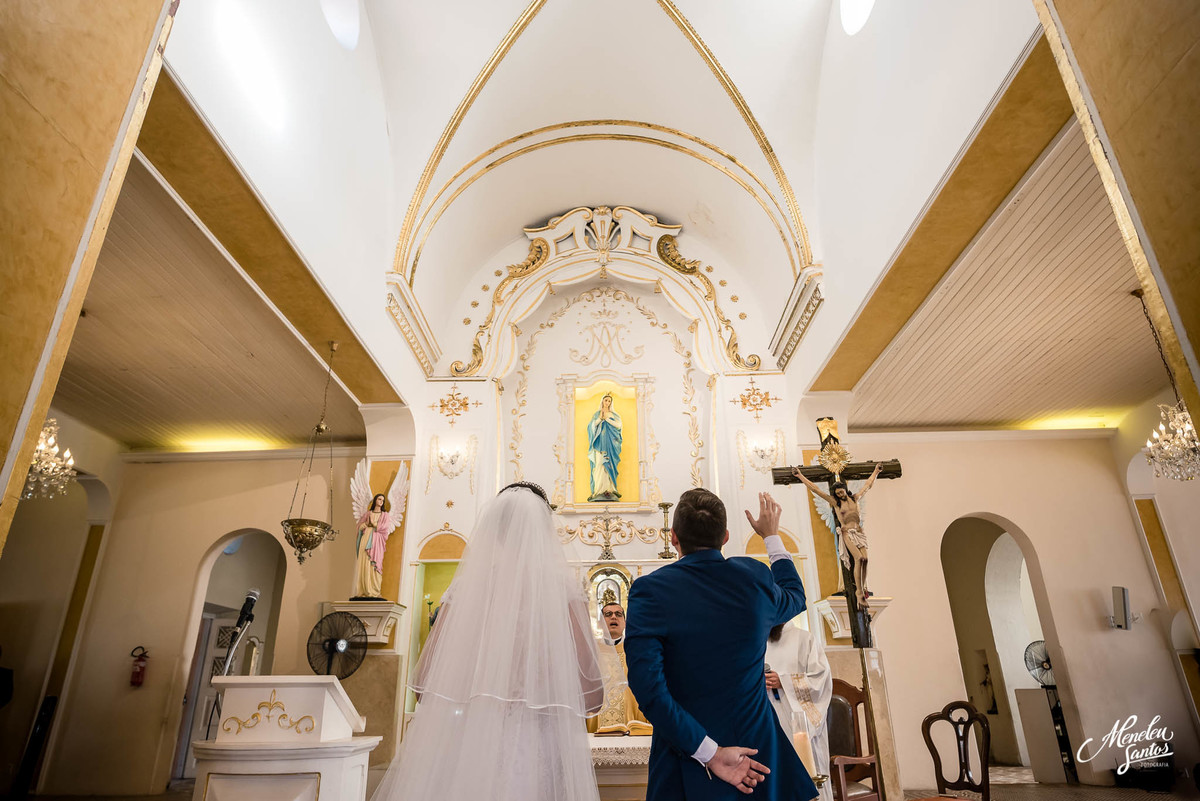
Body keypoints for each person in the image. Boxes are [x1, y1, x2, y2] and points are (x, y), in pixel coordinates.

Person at [373, 482, 606, 801]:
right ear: (545, 530)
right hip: (540, 745)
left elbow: (424, 684)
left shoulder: (467, 589)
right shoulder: (563, 590)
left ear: (495, 530)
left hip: (472, 745)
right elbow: (593, 697)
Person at [626, 490, 817, 800]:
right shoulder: (754, 579)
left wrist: (709, 752)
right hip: (758, 760)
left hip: (684, 760)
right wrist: (771, 536)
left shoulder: (650, 591)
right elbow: (795, 596)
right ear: (725, 537)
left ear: (673, 537)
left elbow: (648, 688)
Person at [793, 464, 881, 609]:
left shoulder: (855, 498)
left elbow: (868, 485)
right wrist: (800, 476)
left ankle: (863, 587)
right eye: (838, 493)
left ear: (845, 489)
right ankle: (859, 592)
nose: (840, 495)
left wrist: (876, 471)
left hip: (859, 532)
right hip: (847, 533)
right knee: (859, 558)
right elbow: (816, 489)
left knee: (865, 560)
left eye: (841, 492)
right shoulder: (835, 503)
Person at [765, 623, 833, 801]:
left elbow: (821, 680)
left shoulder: (805, 639)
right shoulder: (755, 639)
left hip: (798, 723)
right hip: (767, 722)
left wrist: (784, 682)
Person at [588, 602, 653, 735]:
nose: (613, 617)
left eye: (618, 614)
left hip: (631, 725)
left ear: (624, 622)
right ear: (600, 623)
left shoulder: (636, 651)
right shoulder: (591, 652)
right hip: (596, 724)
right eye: (608, 614)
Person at [587, 393, 622, 501]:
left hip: (610, 444)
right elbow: (591, 427)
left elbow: (619, 425)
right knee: (599, 464)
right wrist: (600, 419)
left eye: (609, 401)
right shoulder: (597, 414)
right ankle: (598, 490)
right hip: (599, 444)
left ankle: (609, 489)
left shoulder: (613, 414)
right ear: (602, 401)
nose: (607, 402)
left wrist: (607, 419)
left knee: (609, 465)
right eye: (606, 400)